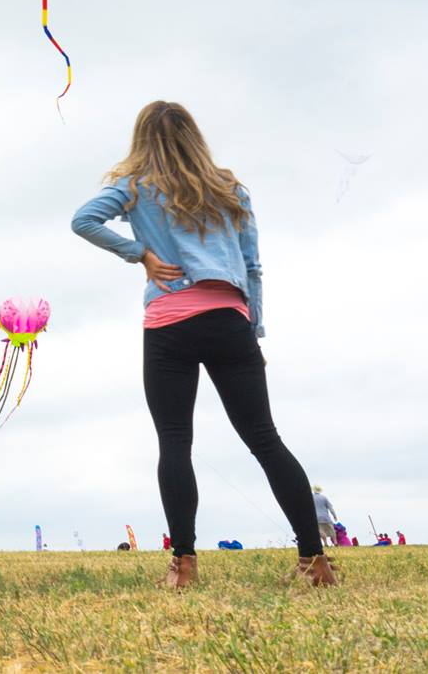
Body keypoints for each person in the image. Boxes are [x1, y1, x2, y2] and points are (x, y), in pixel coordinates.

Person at [72, 101, 337, 589]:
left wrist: (140, 254)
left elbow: (83, 220)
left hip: (168, 322)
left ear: (142, 140)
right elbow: (253, 266)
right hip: (228, 320)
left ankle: (185, 566)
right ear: (195, 137)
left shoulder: (135, 187)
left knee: (175, 442)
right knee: (265, 439)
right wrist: (254, 330)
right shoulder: (230, 189)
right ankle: (316, 562)